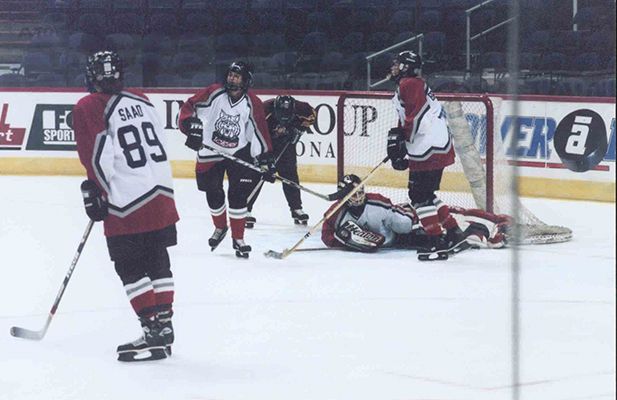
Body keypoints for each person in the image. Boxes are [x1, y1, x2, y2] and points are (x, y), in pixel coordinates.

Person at [73, 50, 179, 362]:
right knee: (157, 259)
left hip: (127, 201)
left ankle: (151, 330)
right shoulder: (142, 99)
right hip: (161, 193)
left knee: (129, 266)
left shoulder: (88, 105)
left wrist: (98, 192)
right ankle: (165, 327)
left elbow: (98, 155)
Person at [177, 60, 273, 258]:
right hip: (210, 149)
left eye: (237, 76)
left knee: (237, 195)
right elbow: (189, 106)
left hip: (238, 153)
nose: (232, 79)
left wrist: (265, 159)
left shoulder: (252, 103)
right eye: (230, 75)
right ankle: (220, 227)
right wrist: (190, 127)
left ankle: (238, 238)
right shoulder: (214, 92)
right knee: (213, 192)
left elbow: (259, 131)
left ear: (246, 80)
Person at [385, 50, 470, 260]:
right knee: (426, 194)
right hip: (434, 146)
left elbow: (416, 116)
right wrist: (402, 143)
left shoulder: (409, 84)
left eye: (398, 64)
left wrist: (403, 142)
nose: (393, 68)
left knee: (418, 196)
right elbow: (408, 115)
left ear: (406, 67)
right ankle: (454, 234)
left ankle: (435, 241)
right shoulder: (411, 84)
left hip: (428, 148)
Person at [321, 175, 511, 259]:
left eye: (359, 192)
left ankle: (492, 223)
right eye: (352, 194)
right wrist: (342, 239)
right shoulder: (336, 213)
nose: (358, 197)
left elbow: (404, 224)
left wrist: (411, 221)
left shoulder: (377, 203)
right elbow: (327, 233)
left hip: (408, 226)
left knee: (448, 220)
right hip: (397, 241)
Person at [245, 95, 316, 228]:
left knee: (290, 175)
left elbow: (312, 116)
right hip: (264, 143)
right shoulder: (263, 111)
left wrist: (299, 129)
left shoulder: (302, 108)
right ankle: (244, 209)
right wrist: (265, 160)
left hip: (285, 144)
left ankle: (296, 209)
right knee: (258, 173)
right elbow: (254, 137)